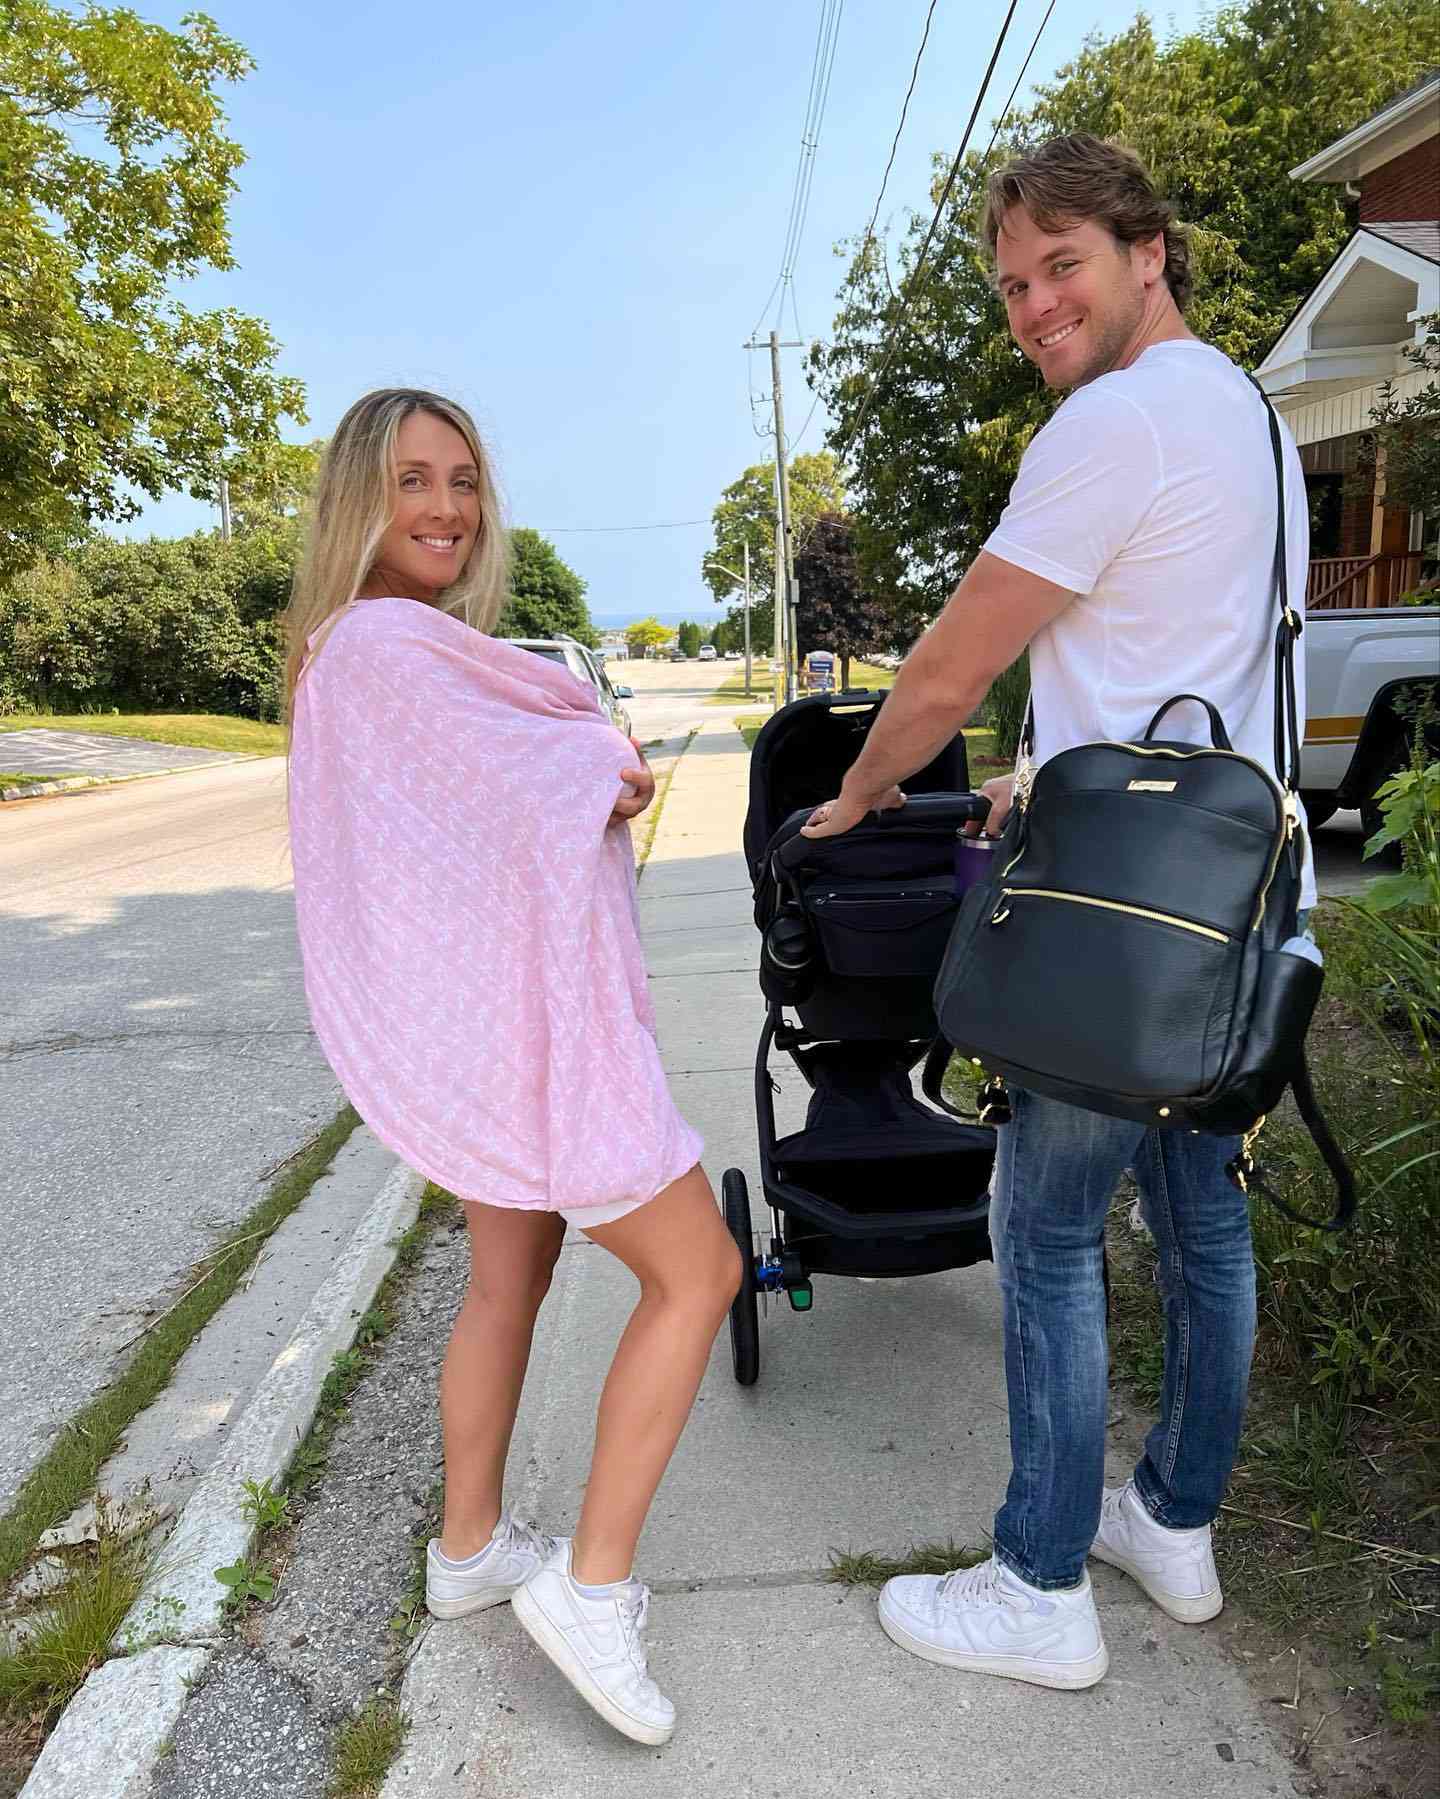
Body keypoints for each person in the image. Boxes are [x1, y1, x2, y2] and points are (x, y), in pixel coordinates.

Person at [801, 134, 1312, 1691]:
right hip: (1232, 913)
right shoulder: (1251, 413)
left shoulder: (1114, 426)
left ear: (1146, 250)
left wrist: (859, 795)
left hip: (1111, 932)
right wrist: (1058, 766)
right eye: (1013, 284)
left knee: (1044, 1230)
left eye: (1060, 265)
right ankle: (1171, 1524)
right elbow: (1188, 655)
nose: (1033, 305)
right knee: (1206, 1219)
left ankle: (1036, 1583)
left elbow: (953, 661)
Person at [284, 389, 740, 1747]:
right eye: (414, 479)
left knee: (510, 1273)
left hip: (485, 1029)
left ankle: (471, 1548)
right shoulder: (378, 647)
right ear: (359, 496)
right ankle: (591, 1592)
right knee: (700, 1271)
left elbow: (467, 821)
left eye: (464, 480)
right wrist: (602, 766)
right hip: (531, 1036)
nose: (444, 507)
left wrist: (568, 761)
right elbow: (542, 788)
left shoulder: (356, 649)